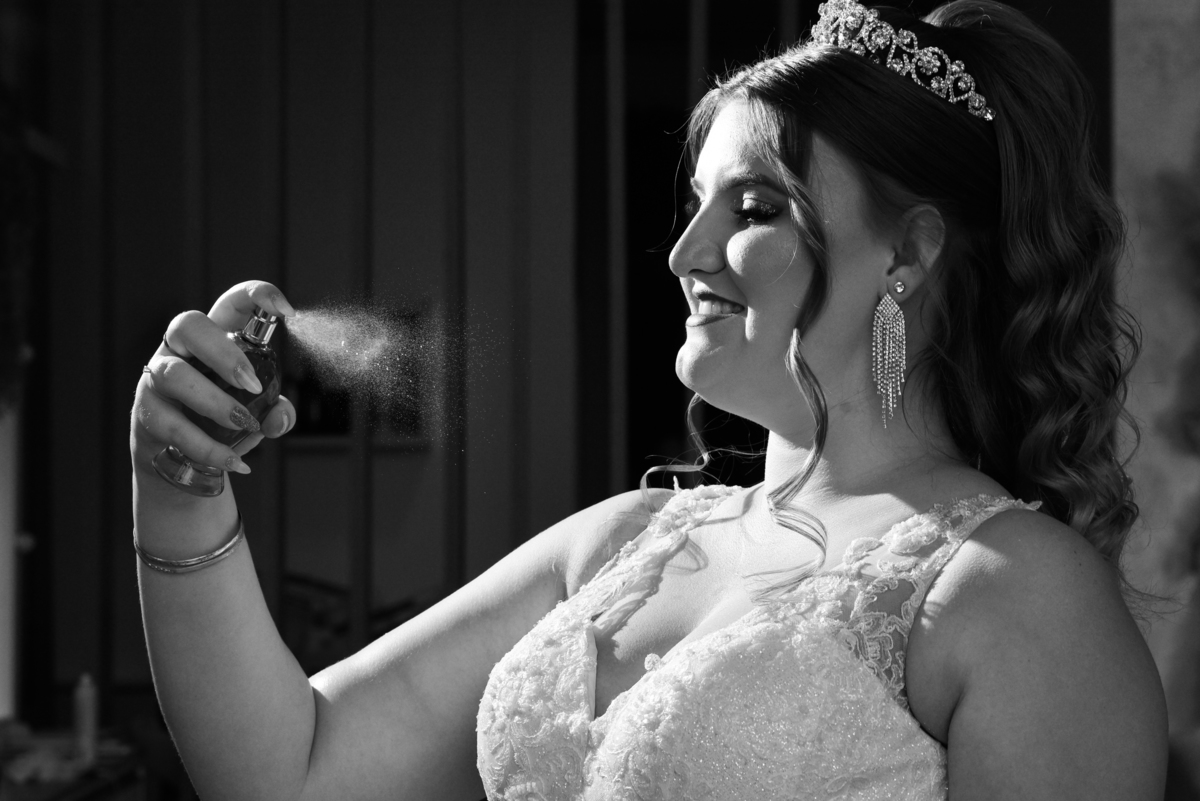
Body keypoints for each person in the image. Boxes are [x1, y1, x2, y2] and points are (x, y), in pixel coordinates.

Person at [129, 1, 1168, 798]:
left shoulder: (1013, 592)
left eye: (753, 207)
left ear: (907, 253)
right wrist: (182, 490)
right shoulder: (621, 543)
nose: (684, 255)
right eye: (696, 204)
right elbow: (291, 770)